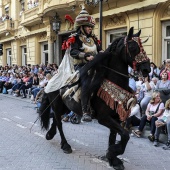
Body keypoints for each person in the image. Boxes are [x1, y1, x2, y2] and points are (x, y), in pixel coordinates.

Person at [68, 6, 103, 121]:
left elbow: (99, 50)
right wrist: (85, 56)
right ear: (81, 27)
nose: (90, 29)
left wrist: (103, 53)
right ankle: (85, 110)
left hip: (95, 65)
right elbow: (73, 51)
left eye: (91, 27)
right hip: (81, 65)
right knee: (86, 82)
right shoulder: (75, 38)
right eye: (88, 26)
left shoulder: (94, 39)